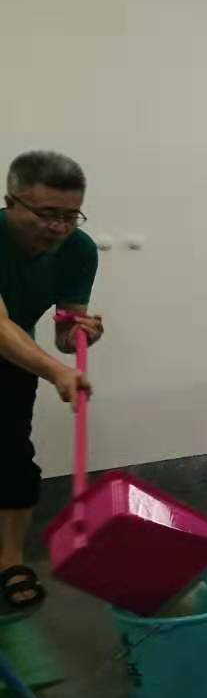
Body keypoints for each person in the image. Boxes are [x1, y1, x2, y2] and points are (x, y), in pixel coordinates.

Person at [1, 152, 102, 609]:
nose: (59, 227)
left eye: (69, 215)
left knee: (12, 456)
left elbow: (66, 331)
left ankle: (9, 560)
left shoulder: (78, 250)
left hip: (13, 354)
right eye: (46, 214)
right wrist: (57, 371)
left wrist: (80, 333)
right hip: (9, 340)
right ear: (11, 202)